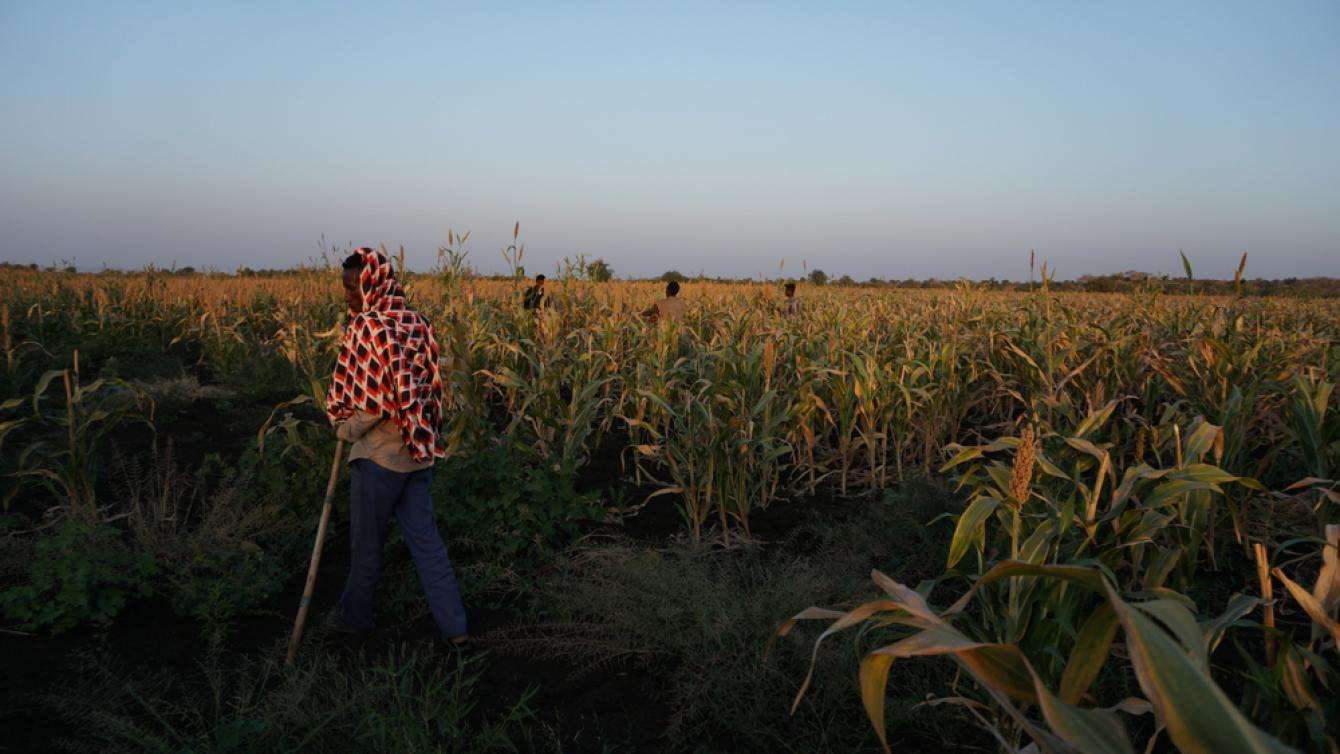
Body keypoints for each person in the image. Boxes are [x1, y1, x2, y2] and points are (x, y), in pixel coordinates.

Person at [325, 247, 468, 646]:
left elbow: (373, 402)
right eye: (346, 288)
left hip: (380, 459)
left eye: (354, 287)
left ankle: (354, 620)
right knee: (428, 544)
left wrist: (346, 428)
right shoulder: (416, 322)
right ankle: (455, 628)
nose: (349, 296)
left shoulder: (369, 326)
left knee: (366, 547)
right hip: (418, 453)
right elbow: (426, 388)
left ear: (373, 282)